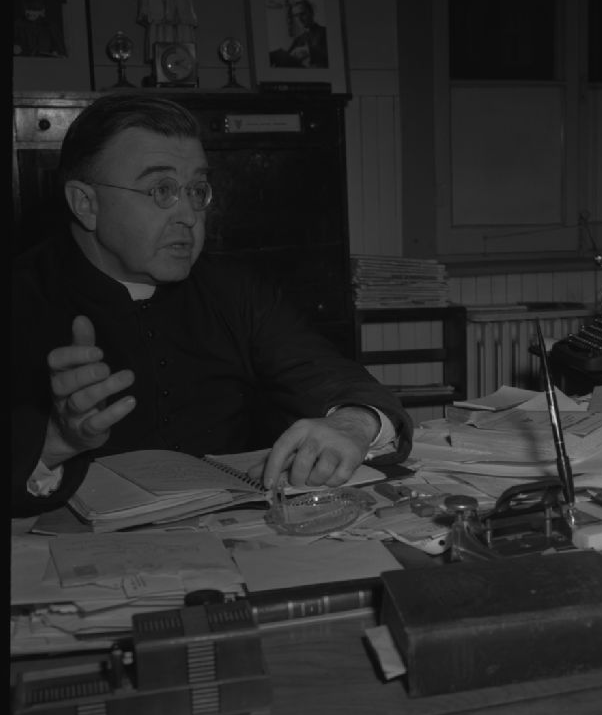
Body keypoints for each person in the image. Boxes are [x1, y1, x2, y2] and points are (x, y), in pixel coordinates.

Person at [11, 93, 414, 517]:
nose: (188, 214)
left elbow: (332, 375)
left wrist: (351, 424)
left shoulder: (232, 289)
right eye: (161, 190)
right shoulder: (22, 296)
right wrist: (55, 444)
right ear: (86, 204)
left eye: (197, 190)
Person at [269, 0, 328, 68]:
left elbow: (331, 55)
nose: (299, 19)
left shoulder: (325, 32)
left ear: (311, 12)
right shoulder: (297, 39)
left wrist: (307, 51)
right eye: (296, 15)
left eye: (302, 14)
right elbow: (287, 58)